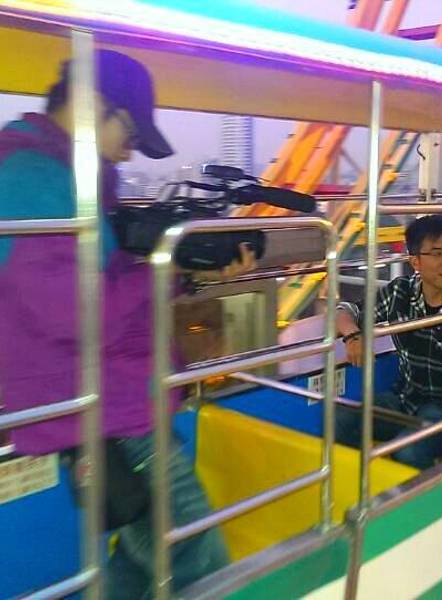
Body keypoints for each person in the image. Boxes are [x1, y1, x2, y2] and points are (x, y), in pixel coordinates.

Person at [0, 50, 255, 598]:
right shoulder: (31, 178)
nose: (131, 149)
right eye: (131, 132)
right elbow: (70, 310)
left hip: (119, 395)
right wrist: (166, 269)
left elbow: (109, 279)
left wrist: (187, 269)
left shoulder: (73, 173)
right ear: (92, 104)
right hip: (104, 404)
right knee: (198, 557)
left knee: (146, 559)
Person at [335, 215, 442, 469]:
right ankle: (361, 481)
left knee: (407, 452)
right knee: (340, 419)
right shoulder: (401, 292)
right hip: (405, 397)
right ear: (415, 261)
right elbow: (345, 311)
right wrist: (352, 335)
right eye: (437, 253)